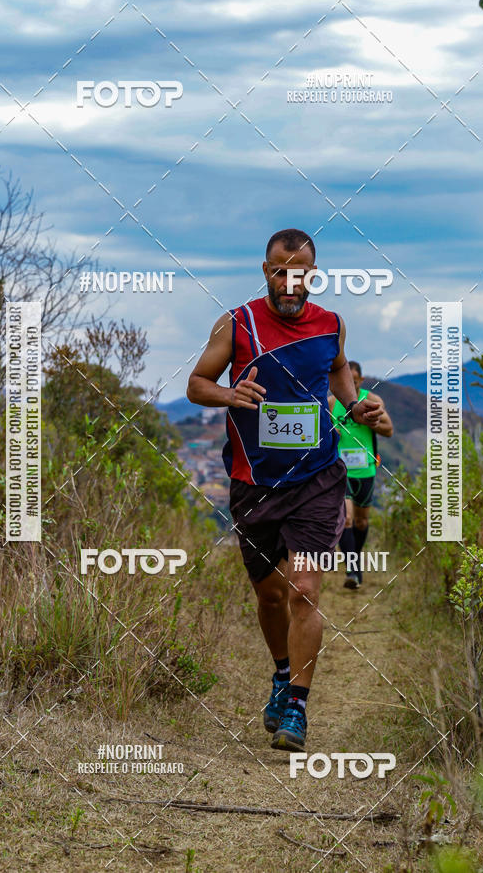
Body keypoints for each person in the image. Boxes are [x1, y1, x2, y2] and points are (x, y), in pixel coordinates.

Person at [187, 228, 383, 750]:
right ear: (266, 271)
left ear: (312, 275)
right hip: (255, 484)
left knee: (304, 590)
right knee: (270, 596)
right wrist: (229, 393)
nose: (290, 281)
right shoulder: (238, 323)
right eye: (280, 270)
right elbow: (196, 384)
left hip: (318, 478)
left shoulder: (332, 325)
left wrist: (357, 404)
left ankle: (297, 705)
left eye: (301, 272)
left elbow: (339, 374)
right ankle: (280, 673)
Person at [328, 361, 393, 590]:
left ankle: (355, 561)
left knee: (361, 520)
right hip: (340, 469)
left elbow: (389, 430)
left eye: (354, 382)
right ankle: (353, 569)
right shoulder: (331, 403)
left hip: (366, 468)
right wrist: (330, 433)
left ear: (360, 381)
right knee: (345, 518)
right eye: (346, 381)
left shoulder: (373, 400)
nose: (350, 385)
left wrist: (370, 419)